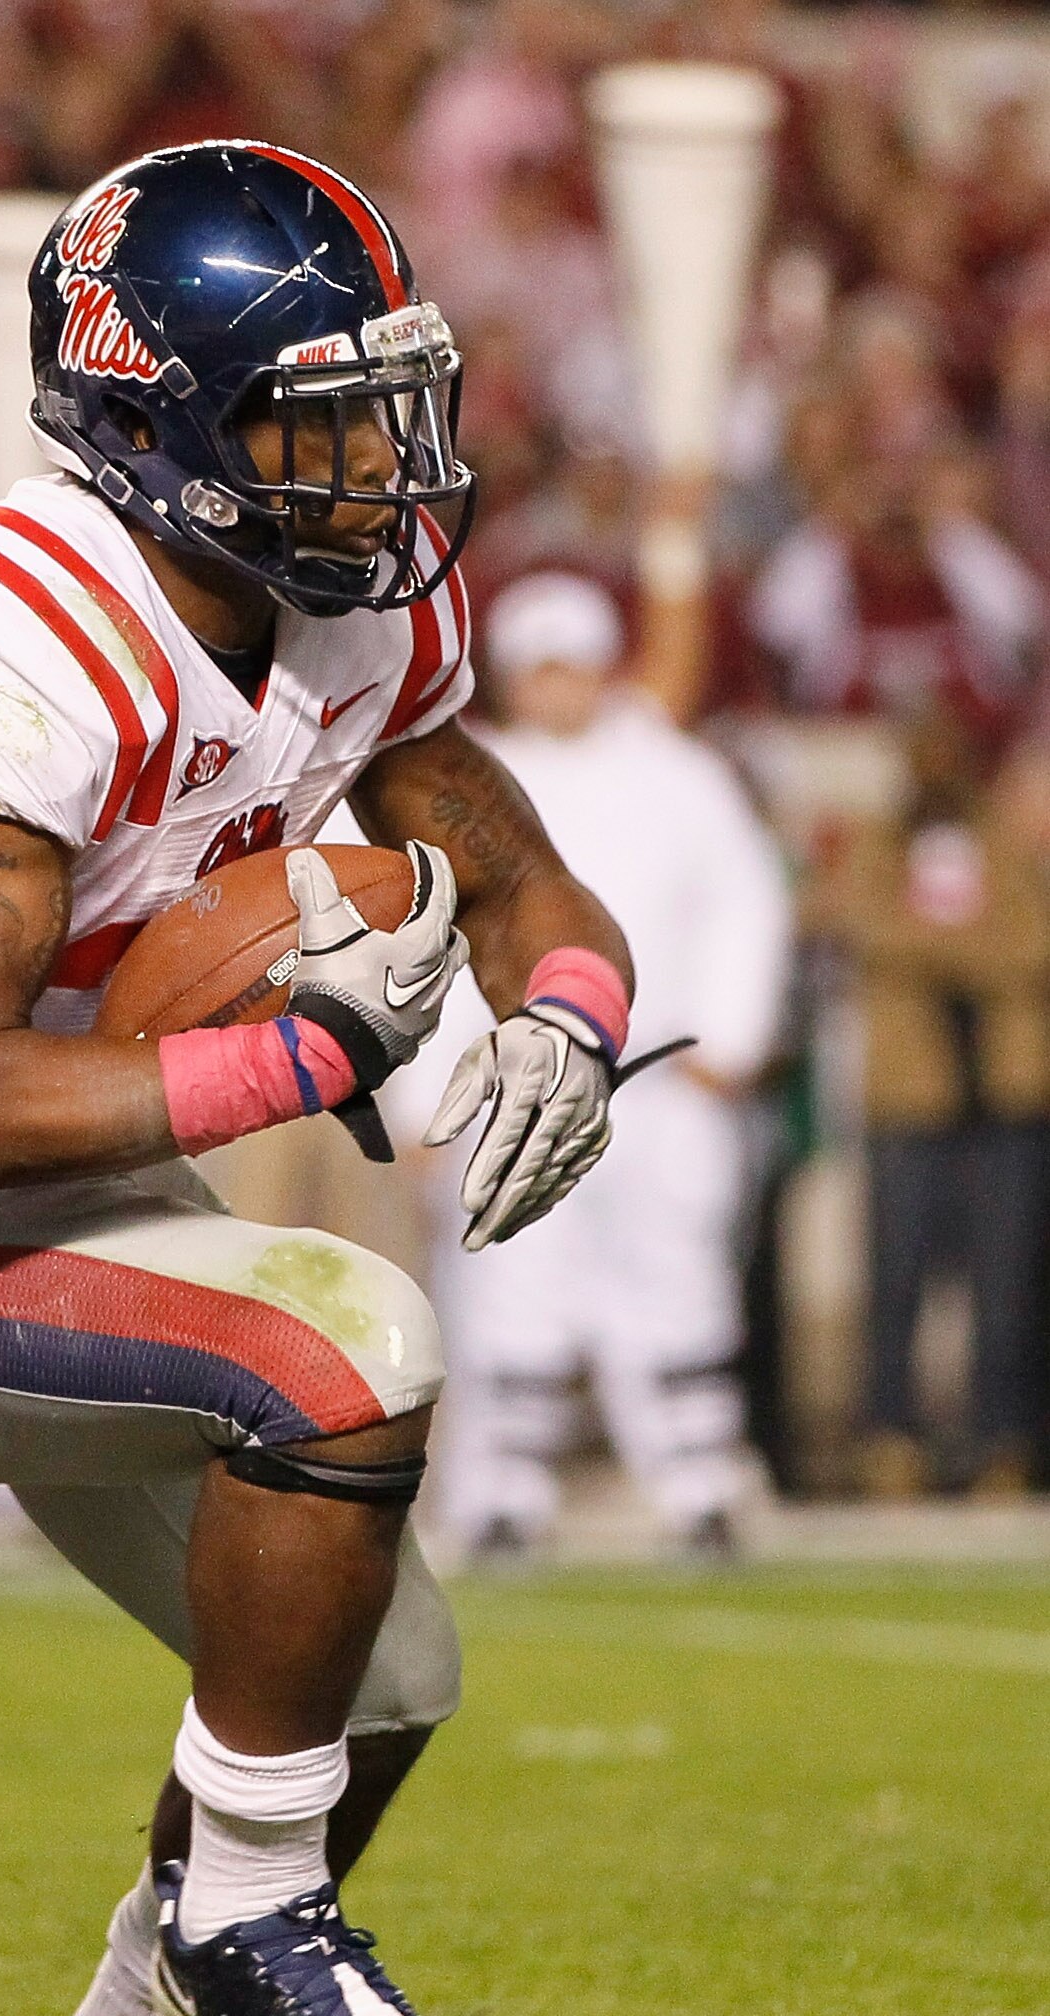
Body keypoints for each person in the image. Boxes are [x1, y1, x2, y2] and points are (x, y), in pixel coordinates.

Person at [0, 142, 634, 2016]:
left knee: (380, 1675)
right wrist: (303, 1061)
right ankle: (251, 1912)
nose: (385, 466)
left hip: (73, 1177)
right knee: (346, 1343)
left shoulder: (348, 603)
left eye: (393, 408)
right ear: (162, 429)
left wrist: (568, 1025)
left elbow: (527, 872)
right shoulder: (13, 629)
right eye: (323, 418)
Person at [396, 574, 791, 1556]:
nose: (557, 687)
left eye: (572, 666)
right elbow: (433, 940)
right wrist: (421, 1097)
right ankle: (504, 1495)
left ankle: (698, 1484)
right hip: (514, 1078)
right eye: (539, 669)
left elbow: (748, 905)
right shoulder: (471, 781)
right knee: (509, 1280)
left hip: (657, 1080)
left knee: (679, 1278)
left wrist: (729, 1036)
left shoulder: (679, 775)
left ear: (606, 667)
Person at [804, 708, 1050, 1500]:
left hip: (1007, 1092)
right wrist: (979, 948)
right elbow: (856, 923)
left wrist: (933, 944)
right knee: (897, 1278)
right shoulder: (881, 840)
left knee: (1007, 1281)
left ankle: (1001, 1443)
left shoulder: (1008, 841)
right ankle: (891, 1439)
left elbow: (1036, 942)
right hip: (909, 1096)